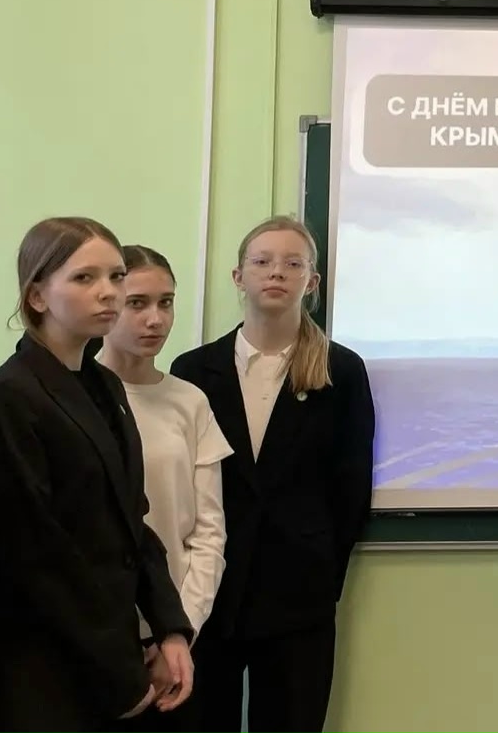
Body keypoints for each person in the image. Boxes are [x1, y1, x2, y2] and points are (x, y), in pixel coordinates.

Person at [0, 216, 195, 733]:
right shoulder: (10, 395)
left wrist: (170, 628)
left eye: (116, 276)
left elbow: (132, 523)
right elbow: (35, 556)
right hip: (50, 662)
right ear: (37, 296)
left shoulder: (103, 386)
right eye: (84, 278)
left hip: (115, 646)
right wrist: (118, 671)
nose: (108, 292)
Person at [170, 216, 375, 733]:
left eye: (292, 263)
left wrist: (322, 573)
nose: (276, 272)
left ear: (313, 281)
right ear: (238, 277)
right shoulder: (193, 371)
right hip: (210, 593)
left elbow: (351, 488)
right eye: (262, 262)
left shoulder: (341, 371)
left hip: (299, 596)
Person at [94, 246, 233, 733]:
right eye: (137, 303)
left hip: (176, 638)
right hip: (98, 639)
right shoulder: (73, 398)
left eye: (166, 302)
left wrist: (178, 631)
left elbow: (209, 532)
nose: (155, 319)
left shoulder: (189, 401)